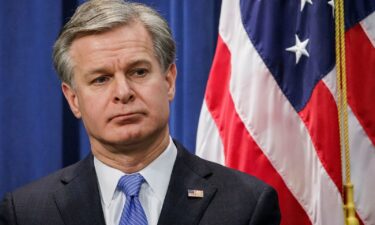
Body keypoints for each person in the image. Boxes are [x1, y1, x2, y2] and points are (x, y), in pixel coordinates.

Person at [0, 0, 281, 224]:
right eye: (101, 79)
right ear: (73, 99)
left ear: (169, 81)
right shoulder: (26, 212)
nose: (123, 92)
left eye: (139, 71)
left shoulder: (246, 203)